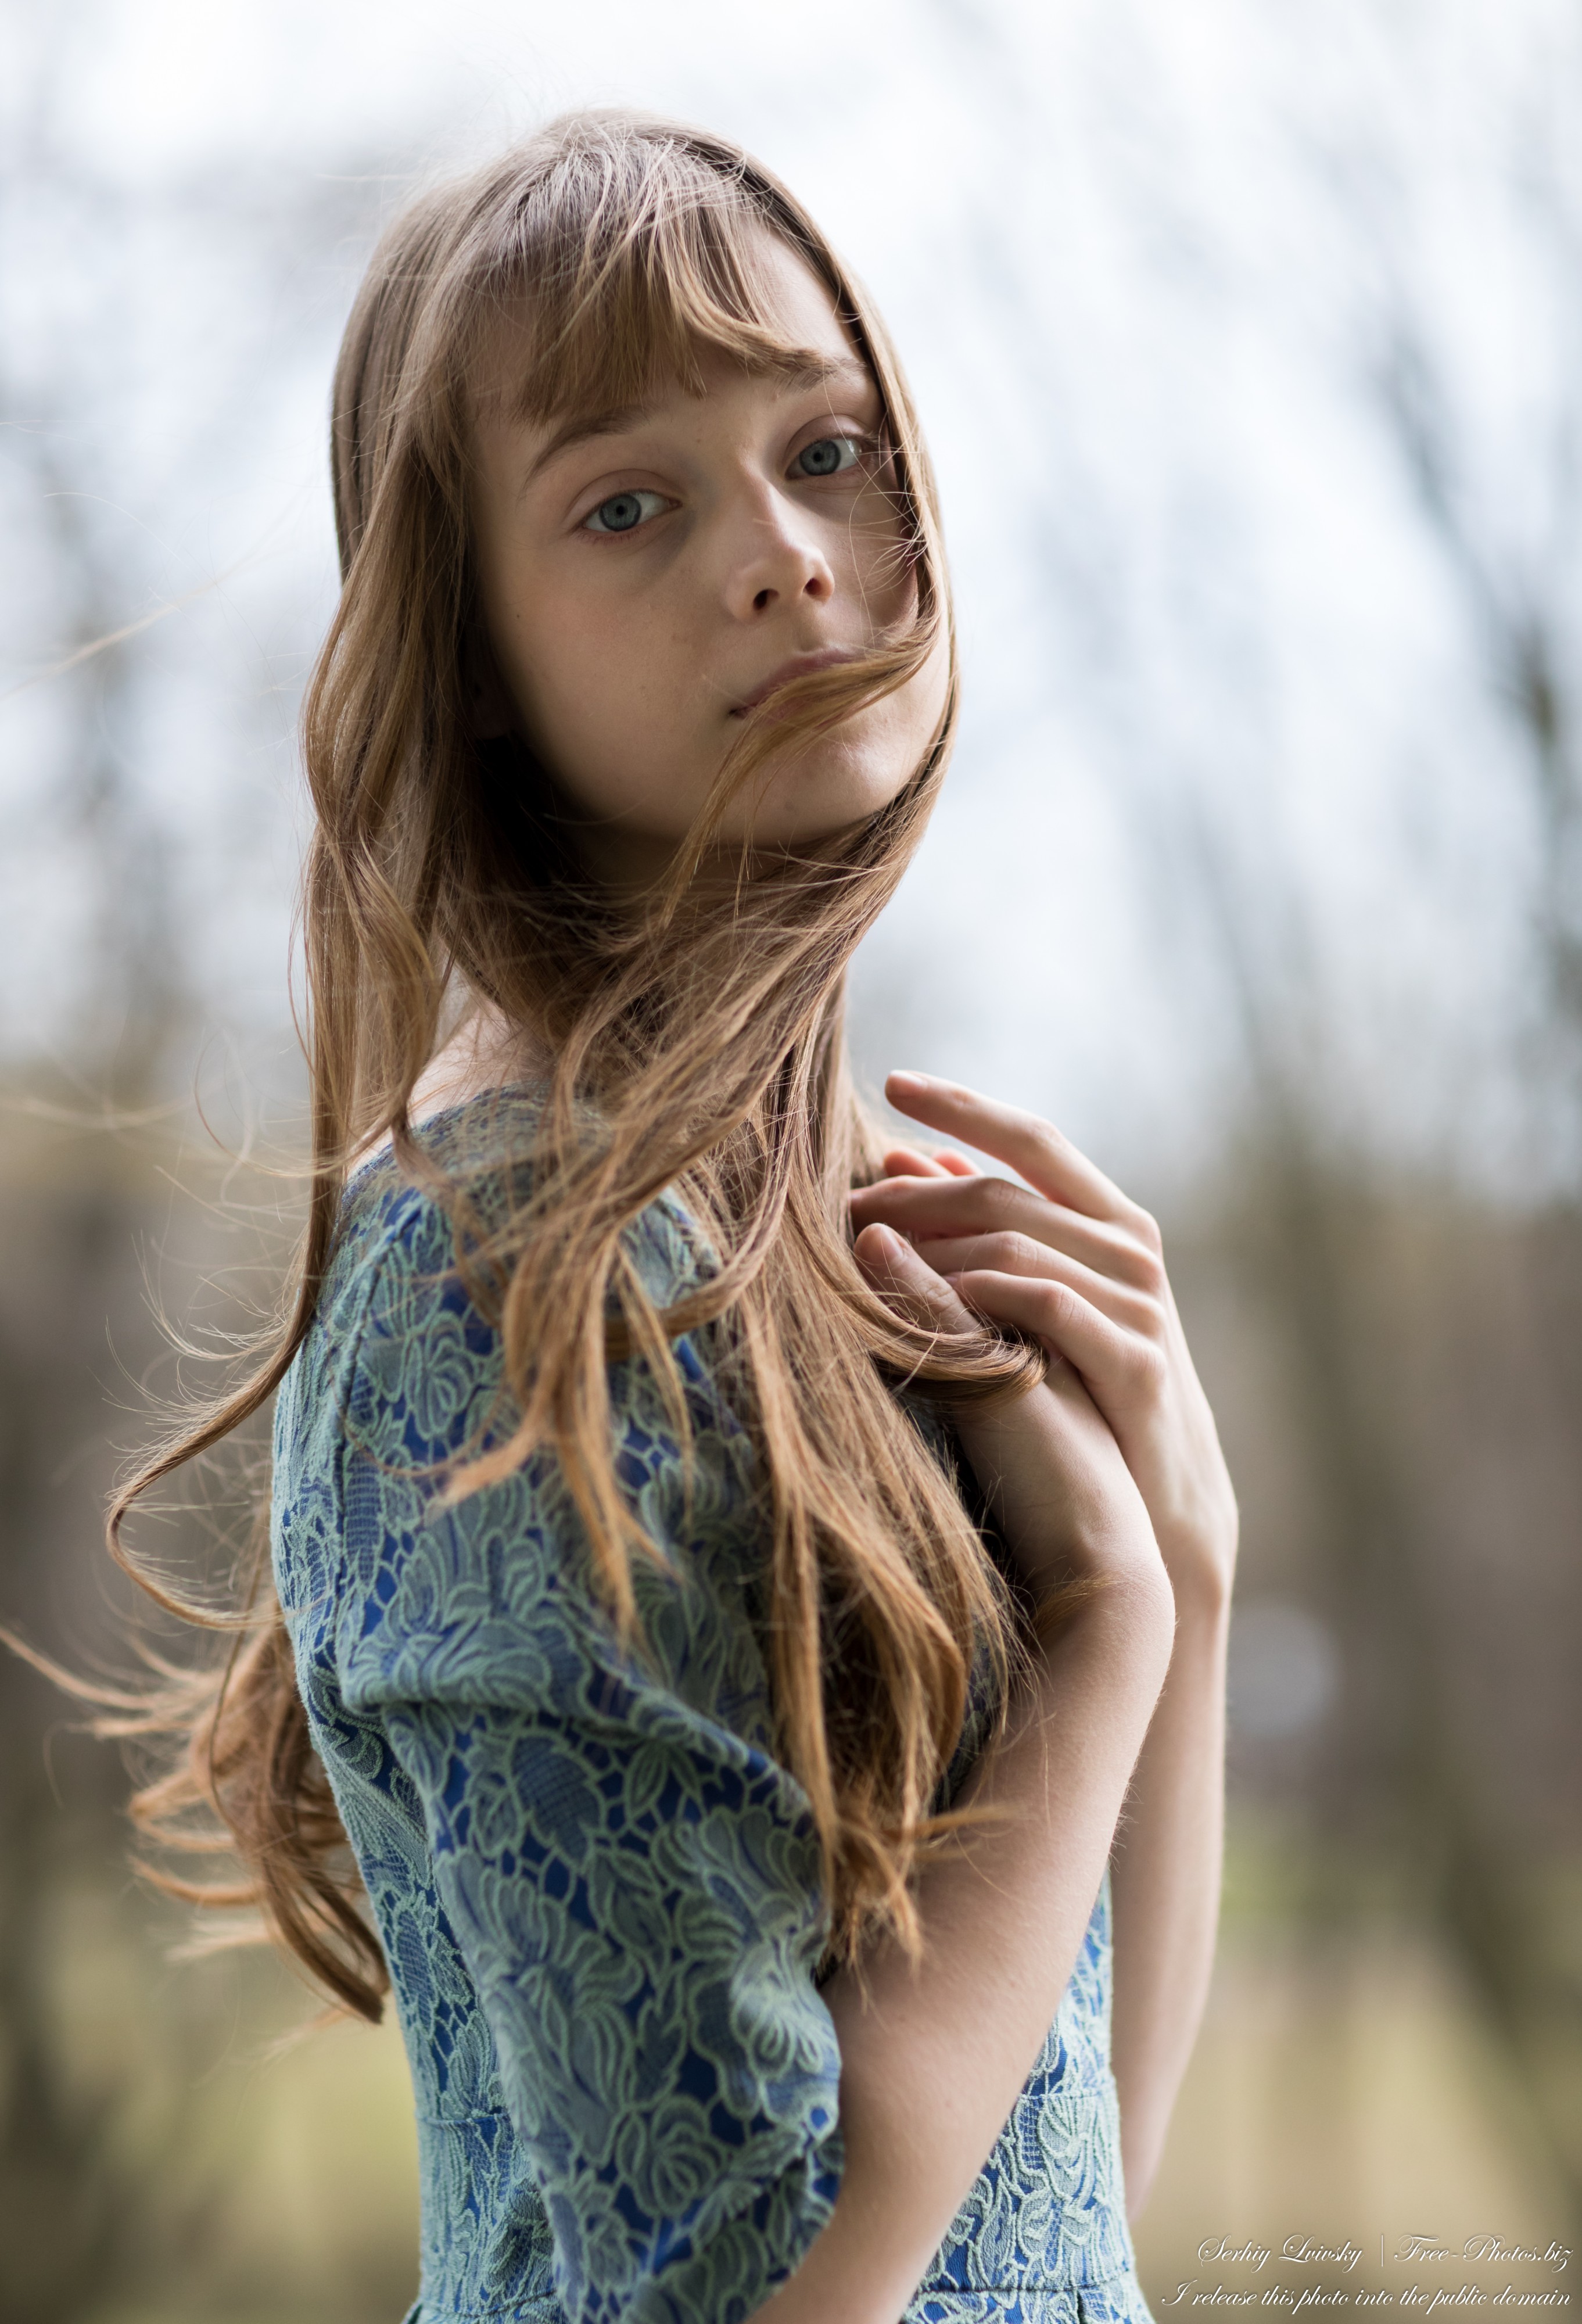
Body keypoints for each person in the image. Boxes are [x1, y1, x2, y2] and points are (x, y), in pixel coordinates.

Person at [112, 109, 1237, 2324]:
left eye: (827, 451)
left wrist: (1181, 1575)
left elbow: (1058, 2177)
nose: (779, 552)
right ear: (464, 650)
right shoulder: (502, 1290)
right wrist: (1099, 1636)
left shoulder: (803, 1226)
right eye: (629, 503)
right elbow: (776, 2283)